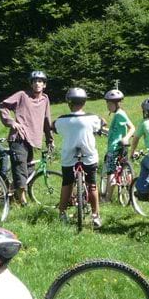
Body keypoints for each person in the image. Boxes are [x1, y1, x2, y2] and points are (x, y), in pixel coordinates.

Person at [0, 71, 55, 206]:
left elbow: (47, 120)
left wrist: (50, 139)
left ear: (44, 84)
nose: (37, 83)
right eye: (35, 81)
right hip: (19, 138)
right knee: (21, 169)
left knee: (29, 170)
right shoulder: (22, 95)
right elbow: (3, 106)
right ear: (31, 83)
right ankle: (23, 201)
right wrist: (11, 122)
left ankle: (13, 195)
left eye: (40, 81)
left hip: (33, 139)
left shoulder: (45, 99)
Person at [52, 87, 105, 229]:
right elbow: (101, 124)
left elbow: (54, 127)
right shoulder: (92, 118)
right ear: (84, 102)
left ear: (69, 103)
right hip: (89, 156)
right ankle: (95, 215)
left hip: (69, 157)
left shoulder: (62, 120)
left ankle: (62, 213)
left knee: (67, 184)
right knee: (92, 185)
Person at [102, 89, 136, 202]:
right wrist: (103, 130)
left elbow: (132, 127)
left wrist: (126, 138)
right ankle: (130, 193)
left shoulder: (120, 114)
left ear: (114, 104)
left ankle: (107, 198)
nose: (107, 106)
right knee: (121, 170)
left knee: (111, 172)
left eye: (108, 103)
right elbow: (115, 132)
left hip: (114, 148)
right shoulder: (118, 115)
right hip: (120, 147)